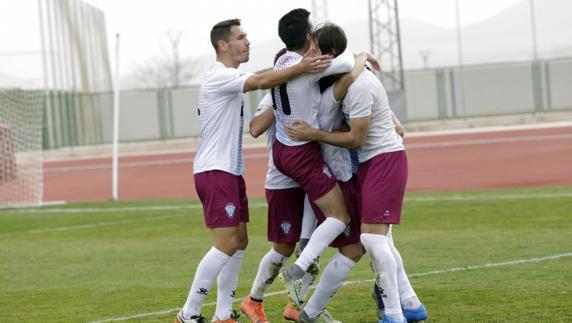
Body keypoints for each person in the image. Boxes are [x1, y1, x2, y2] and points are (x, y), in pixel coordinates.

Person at [174, 18, 332, 323]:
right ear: (223, 45)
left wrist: (295, 67)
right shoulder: (218, 77)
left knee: (240, 241)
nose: (248, 42)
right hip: (214, 170)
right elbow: (260, 82)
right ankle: (188, 313)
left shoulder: (229, 76)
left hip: (230, 171)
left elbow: (259, 75)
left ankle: (223, 314)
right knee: (226, 244)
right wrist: (302, 67)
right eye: (241, 37)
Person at [285, 24, 428, 323]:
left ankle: (394, 313)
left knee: (372, 241)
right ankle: (410, 305)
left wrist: (315, 133)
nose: (308, 56)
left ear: (331, 55)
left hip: (380, 161)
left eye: (314, 50)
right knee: (378, 241)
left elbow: (357, 138)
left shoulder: (358, 84)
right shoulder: (331, 79)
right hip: (360, 167)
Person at [271, 8, 358, 308]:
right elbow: (345, 62)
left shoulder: (282, 60)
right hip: (300, 150)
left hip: (282, 148)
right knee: (340, 216)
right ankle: (300, 267)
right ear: (308, 38)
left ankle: (306, 244)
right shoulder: (309, 64)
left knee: (316, 198)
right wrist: (362, 58)